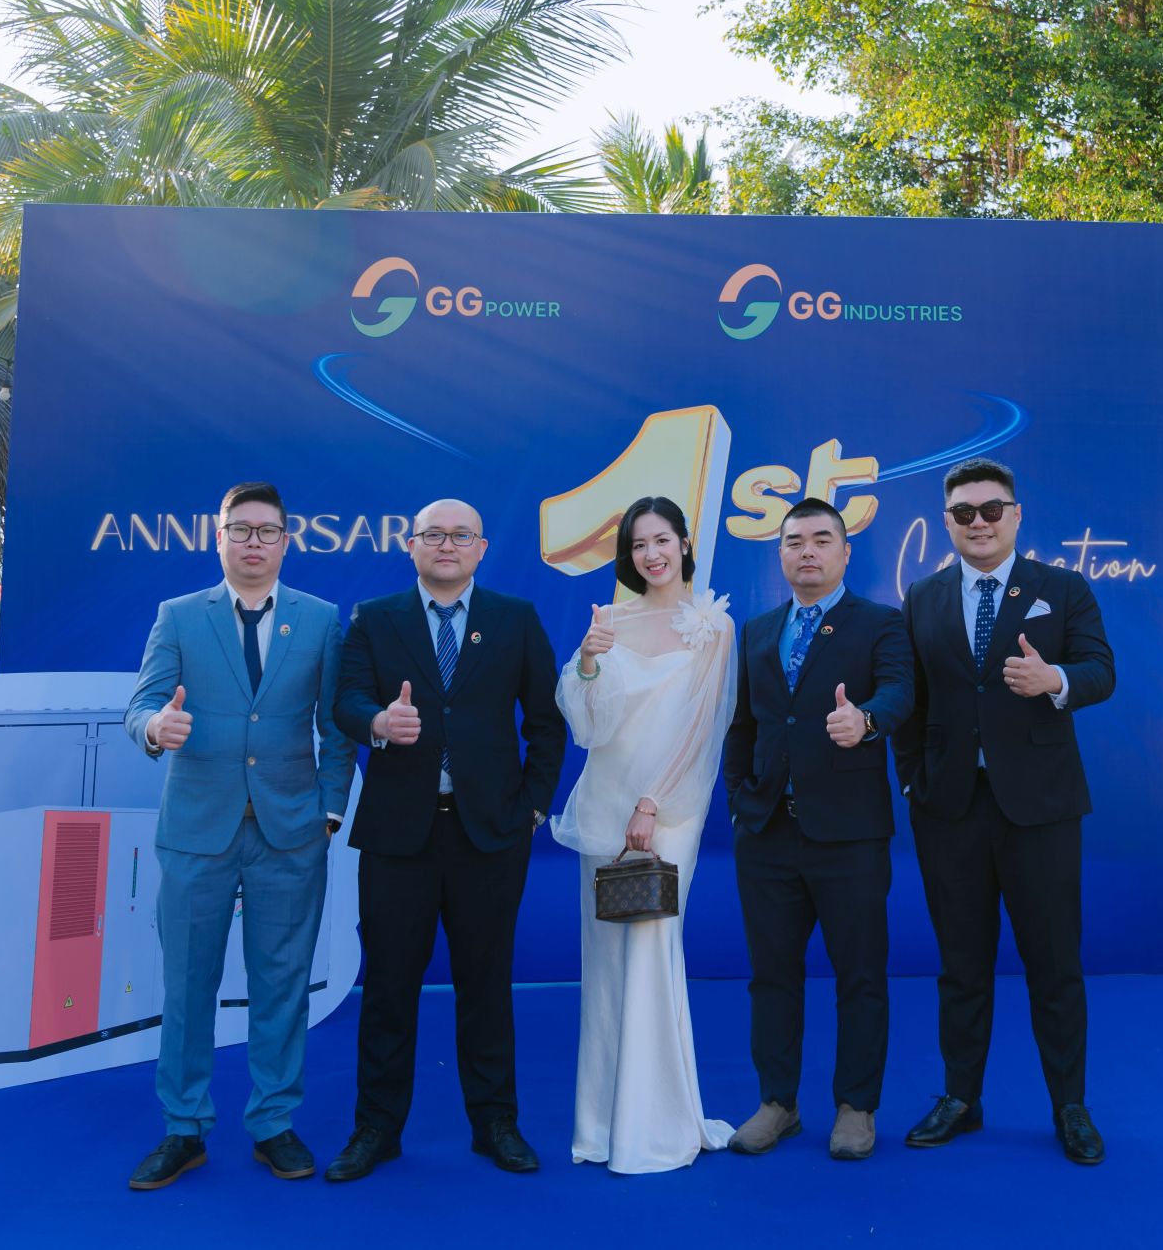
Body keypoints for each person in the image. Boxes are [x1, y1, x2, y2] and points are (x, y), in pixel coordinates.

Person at [326, 498, 568, 1182]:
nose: (447, 545)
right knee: (389, 988)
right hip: (398, 835)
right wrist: (378, 721)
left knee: (486, 985)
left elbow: (547, 721)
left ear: (482, 548)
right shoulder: (375, 618)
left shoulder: (515, 619)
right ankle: (376, 1129)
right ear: (411, 544)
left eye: (462, 535)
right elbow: (345, 700)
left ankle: (496, 1124)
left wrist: (533, 806)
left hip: (489, 834)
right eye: (433, 534)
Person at [123, 481, 354, 1190]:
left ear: (286, 541)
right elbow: (142, 703)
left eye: (267, 531)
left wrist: (330, 810)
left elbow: (336, 724)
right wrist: (156, 726)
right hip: (198, 830)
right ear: (217, 537)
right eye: (241, 529)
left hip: (291, 831)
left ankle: (274, 1122)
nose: (254, 542)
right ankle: (183, 1127)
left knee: (282, 983)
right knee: (188, 982)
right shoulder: (179, 616)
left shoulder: (320, 620)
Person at [894, 458, 1115, 1165]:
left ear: (1016, 515)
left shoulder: (1062, 588)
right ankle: (961, 1097)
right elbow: (909, 700)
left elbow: (1101, 670)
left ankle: (1070, 1106)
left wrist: (1055, 679)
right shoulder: (922, 598)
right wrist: (914, 783)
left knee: (1054, 964)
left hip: (1041, 810)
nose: (979, 522)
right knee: (961, 965)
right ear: (947, 522)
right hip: (950, 810)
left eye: (992, 509)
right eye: (964, 513)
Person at [720, 497, 914, 1163]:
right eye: (794, 540)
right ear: (780, 553)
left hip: (849, 835)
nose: (807, 550)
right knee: (772, 976)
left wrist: (866, 720)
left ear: (845, 552)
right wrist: (739, 800)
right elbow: (743, 725)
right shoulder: (757, 630)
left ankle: (856, 1106)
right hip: (767, 833)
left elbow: (900, 691)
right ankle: (778, 1102)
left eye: (822, 539)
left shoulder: (881, 623)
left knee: (860, 975)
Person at [550, 497, 737, 1173]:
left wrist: (653, 803)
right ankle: (602, 1127)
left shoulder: (713, 624)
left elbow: (702, 729)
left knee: (653, 949)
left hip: (669, 809)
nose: (651, 554)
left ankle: (654, 1128)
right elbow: (589, 727)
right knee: (605, 961)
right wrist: (588, 662)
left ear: (684, 543)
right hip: (608, 804)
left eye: (661, 540)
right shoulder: (611, 619)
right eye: (637, 544)